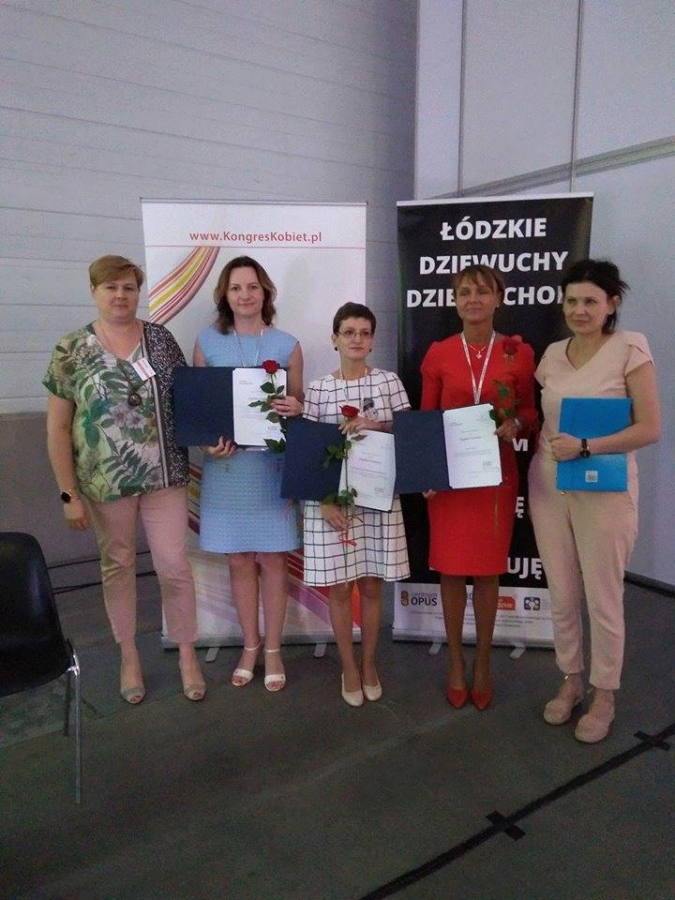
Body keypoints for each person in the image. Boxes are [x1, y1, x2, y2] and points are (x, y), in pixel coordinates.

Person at [44, 255, 205, 705]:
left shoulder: (161, 340)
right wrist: (68, 493)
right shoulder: (71, 349)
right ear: (93, 291)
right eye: (110, 287)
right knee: (117, 565)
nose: (120, 295)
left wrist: (213, 435)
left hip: (165, 476)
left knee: (174, 565)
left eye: (129, 287)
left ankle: (187, 653)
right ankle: (129, 654)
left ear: (138, 292)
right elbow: (58, 427)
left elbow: (187, 401)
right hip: (104, 483)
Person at [528, 259, 660, 743]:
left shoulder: (629, 348)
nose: (579, 310)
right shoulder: (552, 355)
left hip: (604, 487)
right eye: (571, 301)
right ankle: (571, 680)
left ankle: (605, 694)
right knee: (562, 593)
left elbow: (650, 428)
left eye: (590, 301)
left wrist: (588, 446)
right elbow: (545, 420)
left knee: (603, 596)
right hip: (548, 484)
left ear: (612, 303)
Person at [420, 264, 537, 710]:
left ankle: (483, 662)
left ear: (498, 299)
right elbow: (427, 421)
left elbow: (530, 411)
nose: (473, 299)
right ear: (454, 301)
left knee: (488, 572)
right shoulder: (439, 354)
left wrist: (518, 423)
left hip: (494, 477)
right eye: (465, 292)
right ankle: (455, 663)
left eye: (483, 291)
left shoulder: (518, 354)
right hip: (450, 481)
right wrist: (427, 472)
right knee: (450, 572)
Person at [194, 256, 303, 692]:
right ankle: (250, 646)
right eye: (236, 287)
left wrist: (296, 407)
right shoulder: (206, 341)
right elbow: (201, 408)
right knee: (239, 559)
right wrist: (207, 443)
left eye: (253, 287)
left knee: (274, 559)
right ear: (225, 294)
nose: (245, 295)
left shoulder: (287, 344)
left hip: (271, 469)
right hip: (226, 469)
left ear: (265, 292)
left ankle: (273, 648)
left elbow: (299, 408)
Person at [302, 302, 410, 707]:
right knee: (340, 587)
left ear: (373, 340)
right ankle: (348, 666)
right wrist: (324, 500)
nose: (357, 339)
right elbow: (310, 449)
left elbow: (409, 432)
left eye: (364, 333)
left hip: (377, 498)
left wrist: (375, 425)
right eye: (349, 332)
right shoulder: (318, 388)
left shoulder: (388, 382)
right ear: (335, 339)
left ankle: (368, 663)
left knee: (371, 584)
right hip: (332, 502)